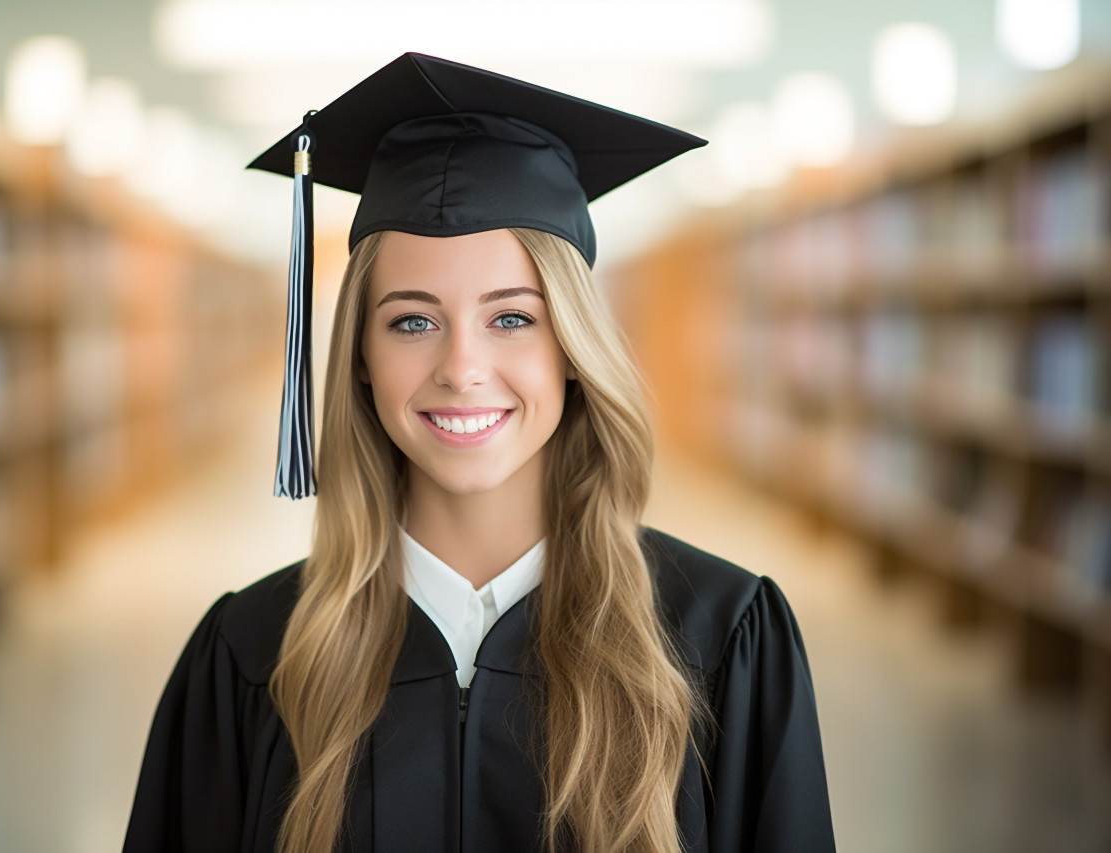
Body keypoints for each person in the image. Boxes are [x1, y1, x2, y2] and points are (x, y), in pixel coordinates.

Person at [123, 53, 834, 853]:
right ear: (358, 353)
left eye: (512, 317)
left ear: (572, 344)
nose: (461, 369)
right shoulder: (252, 659)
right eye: (413, 321)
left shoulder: (719, 643)